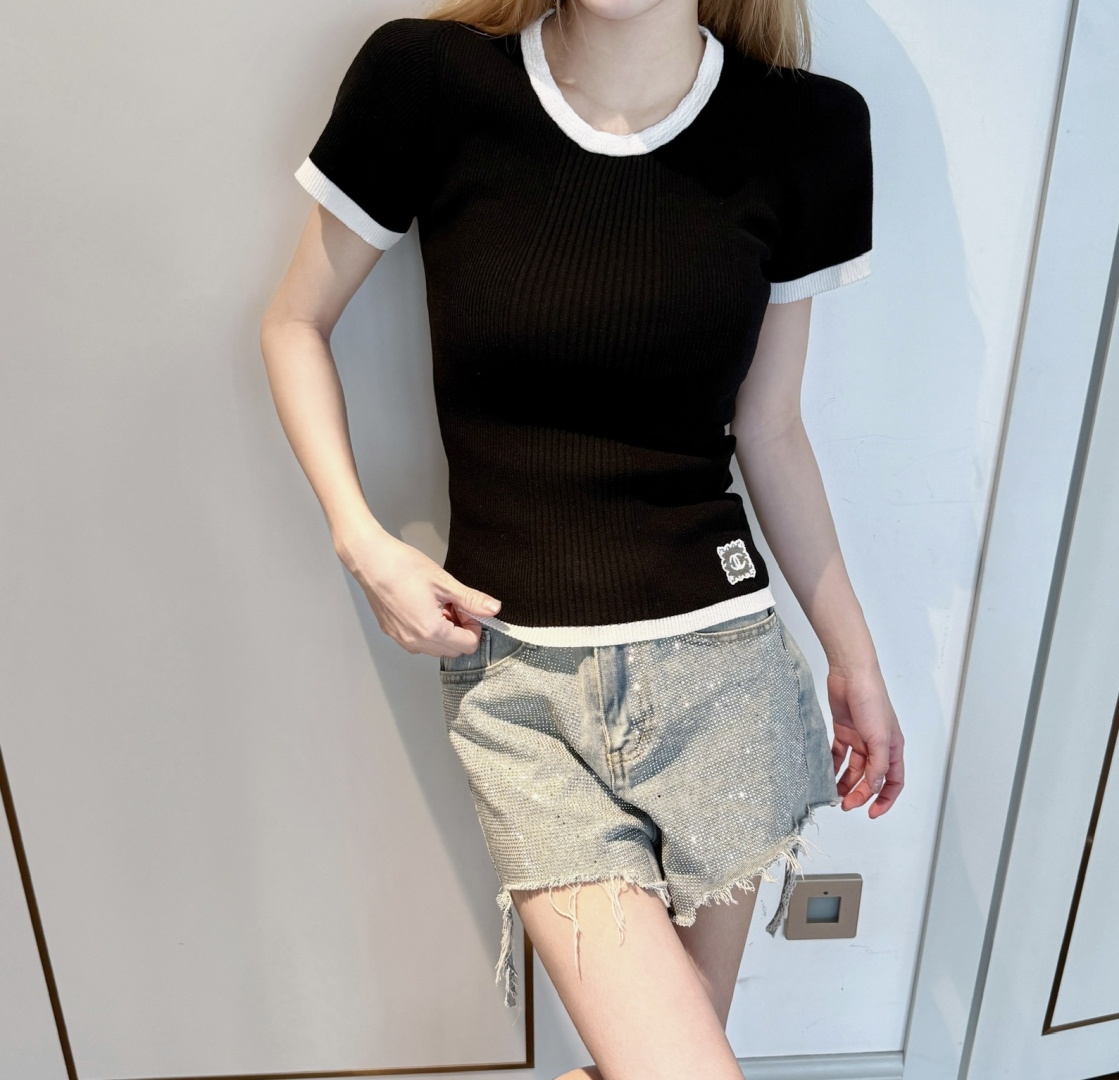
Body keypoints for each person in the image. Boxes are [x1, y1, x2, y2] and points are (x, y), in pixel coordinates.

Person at [260, 0, 905, 1074]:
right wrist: (362, 541)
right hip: (522, 692)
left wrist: (856, 660)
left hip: (726, 685)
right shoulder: (430, 81)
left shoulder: (808, 128)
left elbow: (771, 428)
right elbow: (293, 323)